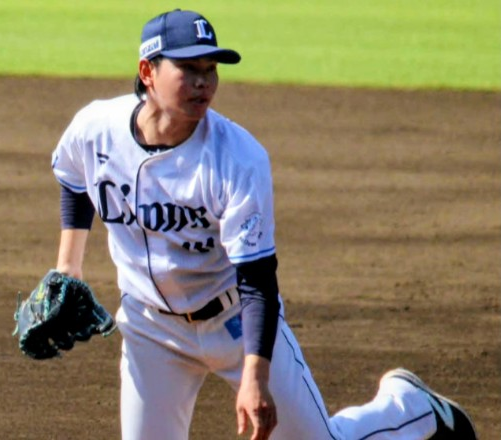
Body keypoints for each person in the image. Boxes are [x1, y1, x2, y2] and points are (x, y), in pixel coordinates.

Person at [50, 9, 478, 440]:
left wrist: (255, 374)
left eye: (210, 69)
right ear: (148, 72)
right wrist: (69, 266)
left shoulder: (237, 157)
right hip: (151, 330)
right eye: (189, 68)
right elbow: (73, 175)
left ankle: (410, 407)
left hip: (235, 322)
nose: (203, 82)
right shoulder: (97, 129)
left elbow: (257, 281)